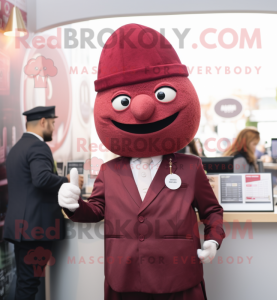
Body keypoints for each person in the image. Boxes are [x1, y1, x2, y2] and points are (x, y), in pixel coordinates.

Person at [58, 24, 225, 300]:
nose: (142, 108)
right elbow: (96, 210)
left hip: (178, 279)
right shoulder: (109, 171)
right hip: (124, 279)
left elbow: (212, 211)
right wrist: (73, 206)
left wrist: (213, 240)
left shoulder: (190, 166)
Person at [3, 106, 84, 300]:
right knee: (29, 285)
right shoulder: (38, 146)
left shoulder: (17, 148)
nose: (54, 128)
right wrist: (68, 181)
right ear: (43, 122)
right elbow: (40, 179)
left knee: (25, 283)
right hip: (34, 229)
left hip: (21, 228)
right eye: (53, 123)